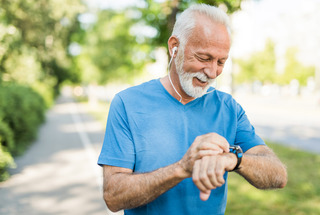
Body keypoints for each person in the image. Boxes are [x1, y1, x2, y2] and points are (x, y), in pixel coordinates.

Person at [98, 4, 287, 215]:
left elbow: (278, 175)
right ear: (174, 47)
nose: (213, 72)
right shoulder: (127, 104)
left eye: (221, 62)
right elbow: (113, 196)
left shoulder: (228, 108)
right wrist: (181, 168)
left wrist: (234, 159)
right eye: (204, 58)